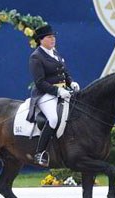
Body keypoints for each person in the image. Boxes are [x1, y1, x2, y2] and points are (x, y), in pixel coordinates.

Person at [26, 24, 80, 167]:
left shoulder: (54, 52)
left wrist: (72, 82)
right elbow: (39, 82)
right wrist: (57, 91)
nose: (53, 39)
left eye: (54, 37)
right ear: (41, 40)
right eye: (50, 37)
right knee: (53, 119)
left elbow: (64, 71)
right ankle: (40, 153)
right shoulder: (36, 57)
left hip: (63, 92)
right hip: (44, 94)